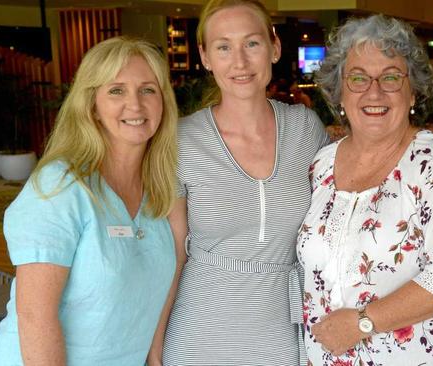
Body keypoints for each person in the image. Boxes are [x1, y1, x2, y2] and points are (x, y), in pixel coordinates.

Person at [151, 1, 329, 365]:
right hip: (200, 329)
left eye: (252, 43)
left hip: (283, 328)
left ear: (274, 47)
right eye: (223, 46)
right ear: (204, 56)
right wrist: (155, 342)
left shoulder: (306, 129)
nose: (240, 62)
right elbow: (172, 253)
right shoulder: (181, 140)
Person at [298, 14, 433, 365]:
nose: (375, 91)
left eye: (391, 77)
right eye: (358, 78)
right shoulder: (321, 164)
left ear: (412, 90)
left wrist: (362, 323)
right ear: (338, 92)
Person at [0, 36, 179, 365]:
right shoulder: (60, 186)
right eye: (116, 90)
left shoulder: (161, 189)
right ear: (92, 105)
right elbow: (35, 318)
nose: (135, 104)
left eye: (148, 89)